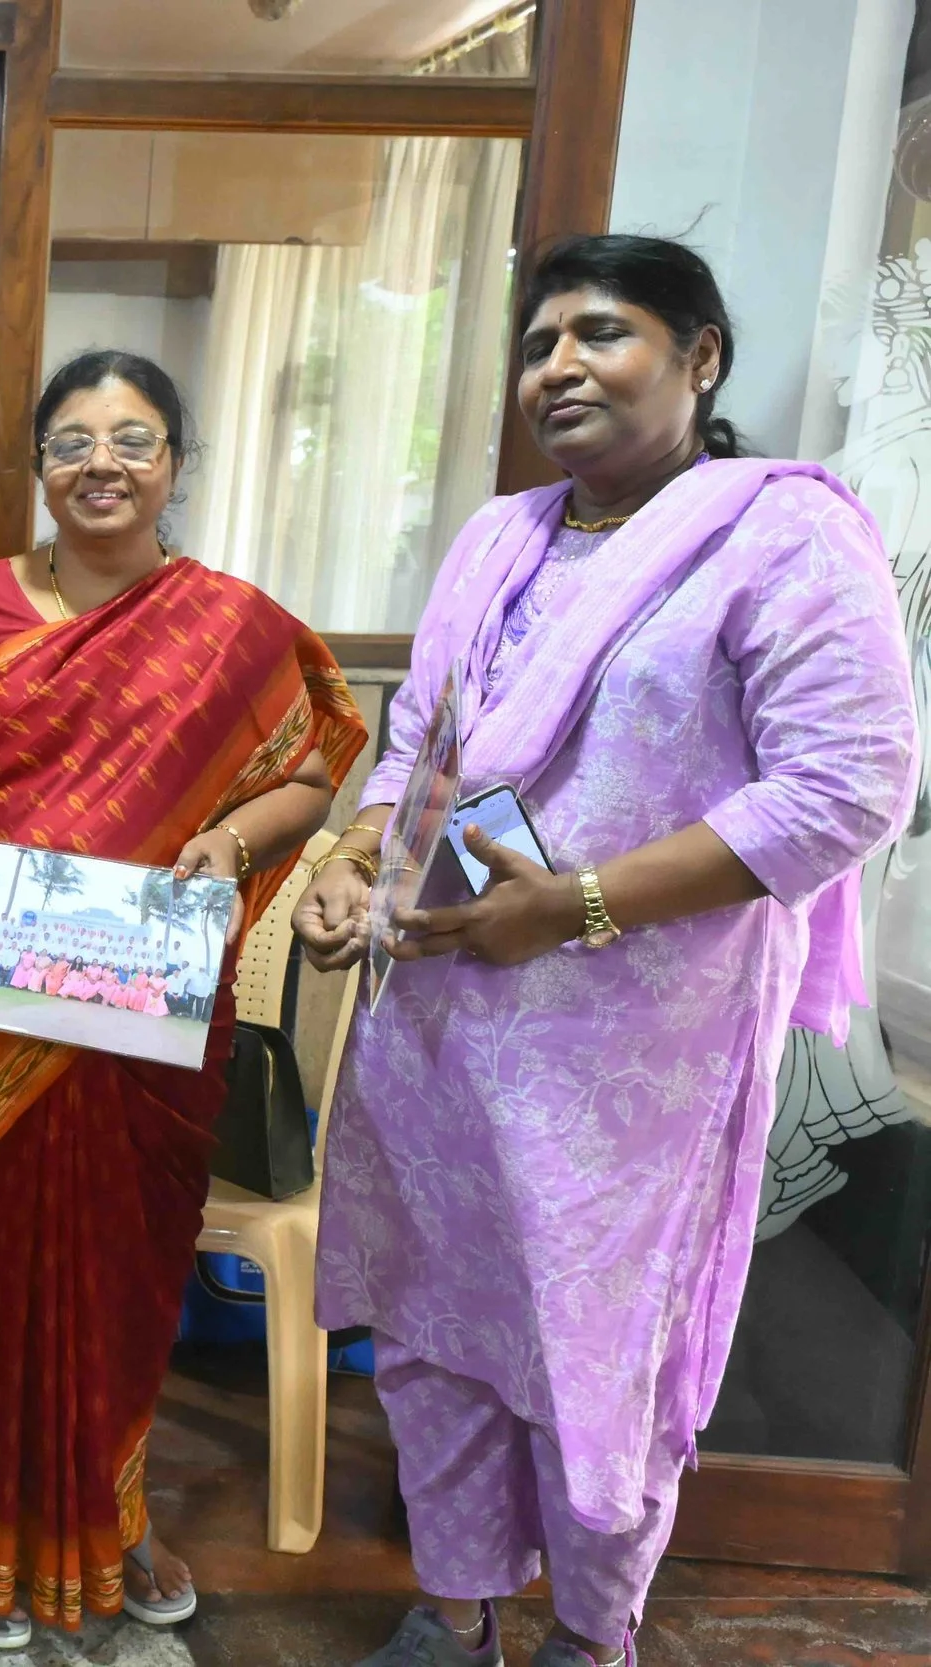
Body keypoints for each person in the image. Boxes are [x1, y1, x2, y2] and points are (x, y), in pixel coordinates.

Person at [294, 235, 918, 1667]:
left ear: (701, 357)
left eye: (603, 332)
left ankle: (590, 1635)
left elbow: (846, 783)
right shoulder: (500, 537)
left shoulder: (783, 533)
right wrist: (348, 862)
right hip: (444, 1021)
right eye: (538, 342)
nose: (559, 365)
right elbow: (422, 753)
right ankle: (454, 1614)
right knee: (434, 1331)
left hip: (632, 1053)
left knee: (598, 1362)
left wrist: (568, 904)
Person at [0, 350, 365, 1650]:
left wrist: (234, 840)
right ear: (39, 464)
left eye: (134, 439)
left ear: (175, 467)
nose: (103, 462)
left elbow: (309, 777)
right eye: (75, 438)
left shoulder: (232, 625)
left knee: (126, 1276)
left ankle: (112, 1514)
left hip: (143, 1012)